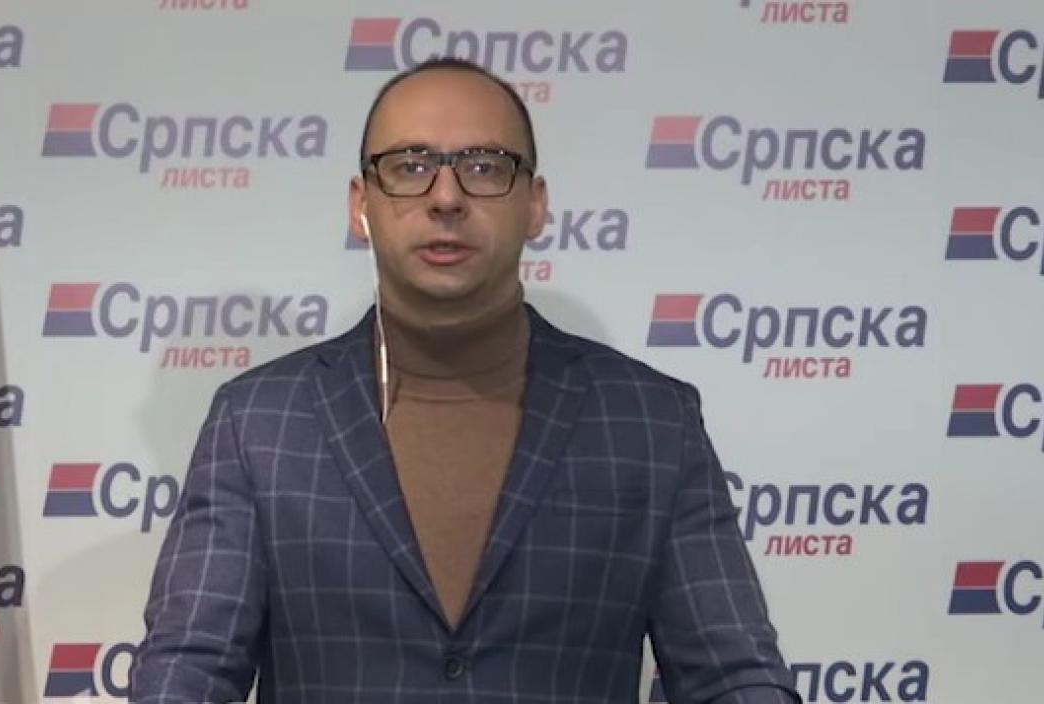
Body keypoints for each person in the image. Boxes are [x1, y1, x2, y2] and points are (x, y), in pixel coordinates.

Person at [130, 58, 800, 704]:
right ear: (362, 205)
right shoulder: (259, 422)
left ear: (535, 204)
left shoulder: (651, 422)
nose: (446, 197)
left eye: (485, 166)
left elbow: (732, 676)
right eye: (409, 166)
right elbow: (187, 669)